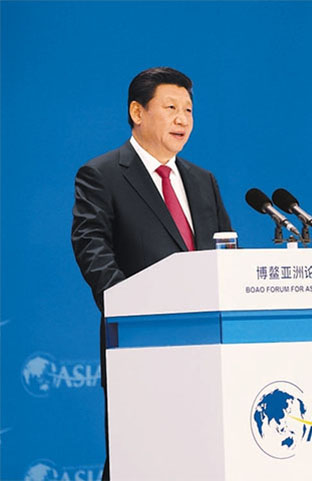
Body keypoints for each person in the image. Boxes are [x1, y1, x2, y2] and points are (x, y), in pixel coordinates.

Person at [71, 67, 232, 480]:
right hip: (140, 349)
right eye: (171, 107)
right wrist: (134, 312)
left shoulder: (203, 181)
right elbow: (92, 249)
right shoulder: (102, 175)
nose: (182, 119)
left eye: (188, 110)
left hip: (209, 352)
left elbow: (226, 256)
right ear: (137, 112)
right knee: (138, 461)